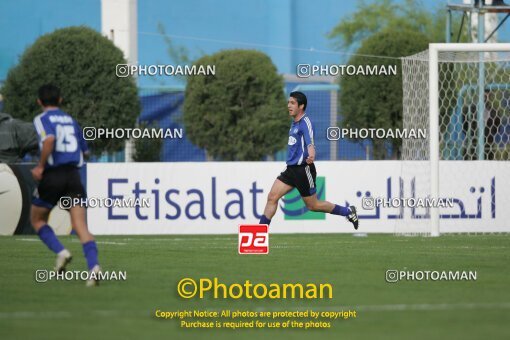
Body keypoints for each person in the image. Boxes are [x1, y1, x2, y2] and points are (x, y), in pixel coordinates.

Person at [31, 84, 100, 286]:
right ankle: (94, 267)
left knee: (37, 220)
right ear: (60, 100)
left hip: (53, 175)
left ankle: (61, 252)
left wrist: (40, 167)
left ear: (39, 102)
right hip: (73, 176)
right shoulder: (71, 121)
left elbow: (49, 140)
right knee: (80, 226)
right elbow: (85, 151)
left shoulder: (41, 119)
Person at [258, 91, 359, 229]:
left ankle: (348, 211)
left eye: (292, 103)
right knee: (272, 197)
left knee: (313, 206)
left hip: (303, 170)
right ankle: (259, 235)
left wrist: (312, 153)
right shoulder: (294, 123)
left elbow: (310, 141)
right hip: (290, 170)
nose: (289, 105)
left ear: (301, 106)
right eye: (288, 102)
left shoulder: (306, 122)